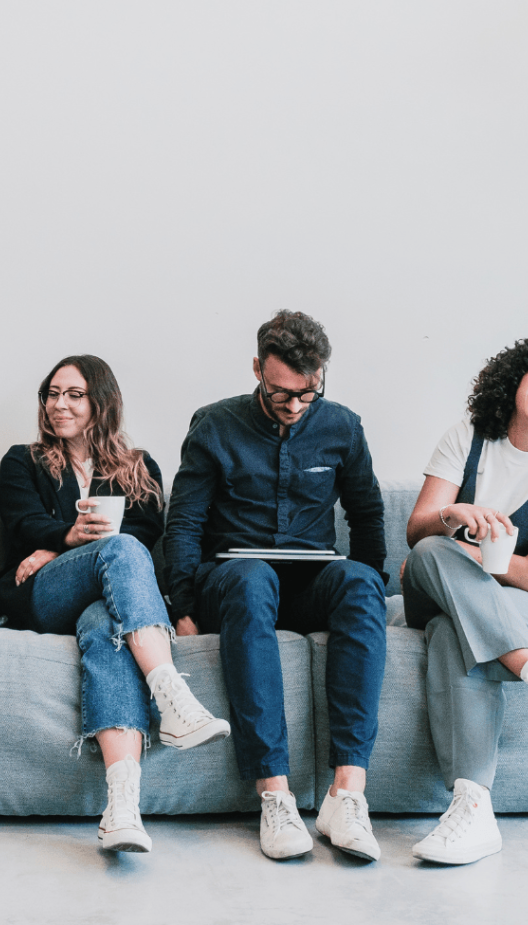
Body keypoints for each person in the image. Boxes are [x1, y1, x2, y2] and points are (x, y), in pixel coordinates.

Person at [164, 311, 388, 862]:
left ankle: (346, 795)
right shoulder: (214, 424)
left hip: (311, 580)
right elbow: (185, 521)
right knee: (250, 575)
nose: (293, 405)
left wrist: (375, 583)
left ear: (322, 375)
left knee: (360, 584)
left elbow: (367, 514)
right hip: (235, 583)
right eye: (280, 392)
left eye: (306, 393)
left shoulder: (343, 426)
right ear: (257, 370)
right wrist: (183, 603)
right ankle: (275, 795)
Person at [0, 354, 230, 853]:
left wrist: (64, 546)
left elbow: (147, 532)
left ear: (101, 401)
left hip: (104, 600)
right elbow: (22, 521)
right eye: (53, 394)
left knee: (105, 624)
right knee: (120, 549)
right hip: (43, 595)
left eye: (74, 394)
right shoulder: (23, 459)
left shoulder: (139, 467)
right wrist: (65, 539)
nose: (60, 404)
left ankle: (122, 808)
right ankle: (169, 694)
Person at [402, 336, 528, 865]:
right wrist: (456, 517)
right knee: (429, 549)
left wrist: (467, 558)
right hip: (442, 585)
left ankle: (472, 809)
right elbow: (417, 529)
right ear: (515, 380)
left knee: (454, 629)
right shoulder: (466, 437)